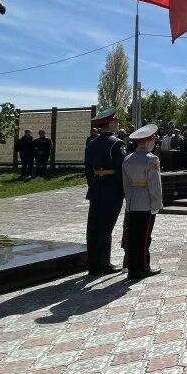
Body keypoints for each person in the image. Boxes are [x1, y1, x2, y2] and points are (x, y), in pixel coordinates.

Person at [84, 108, 126, 276]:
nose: (117, 124)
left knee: (93, 227)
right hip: (111, 189)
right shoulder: (117, 143)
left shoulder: (92, 143)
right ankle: (103, 264)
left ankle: (93, 263)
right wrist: (124, 191)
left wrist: (93, 185)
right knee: (105, 228)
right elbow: (121, 170)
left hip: (96, 188)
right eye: (116, 121)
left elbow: (88, 170)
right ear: (111, 123)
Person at [121, 124, 163, 279]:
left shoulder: (128, 158)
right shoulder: (152, 159)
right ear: (148, 141)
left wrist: (129, 199)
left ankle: (132, 267)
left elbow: (125, 183)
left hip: (133, 201)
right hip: (146, 202)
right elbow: (155, 184)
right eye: (153, 139)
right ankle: (143, 267)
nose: (154, 143)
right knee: (144, 237)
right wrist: (157, 204)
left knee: (133, 236)